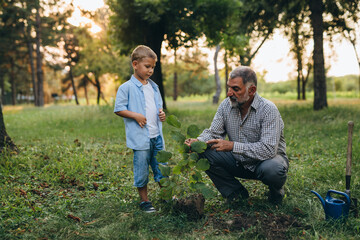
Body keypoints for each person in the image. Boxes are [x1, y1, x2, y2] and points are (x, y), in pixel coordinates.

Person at [185, 66, 289, 205]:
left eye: (236, 89)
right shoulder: (226, 106)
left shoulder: (268, 109)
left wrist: (232, 146)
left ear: (251, 90)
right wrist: (198, 142)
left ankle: (276, 192)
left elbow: (268, 150)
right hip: (239, 161)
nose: (229, 93)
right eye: (228, 88)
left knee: (273, 170)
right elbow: (214, 132)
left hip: (265, 163)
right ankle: (236, 194)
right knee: (203, 152)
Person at [114, 45, 166, 213]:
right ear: (135, 64)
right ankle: (145, 201)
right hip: (141, 138)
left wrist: (161, 115)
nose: (150, 70)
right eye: (147, 66)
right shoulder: (126, 87)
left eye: (153, 67)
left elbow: (157, 107)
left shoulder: (154, 87)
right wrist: (135, 115)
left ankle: (166, 195)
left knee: (161, 166)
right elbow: (118, 108)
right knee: (142, 169)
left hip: (157, 136)